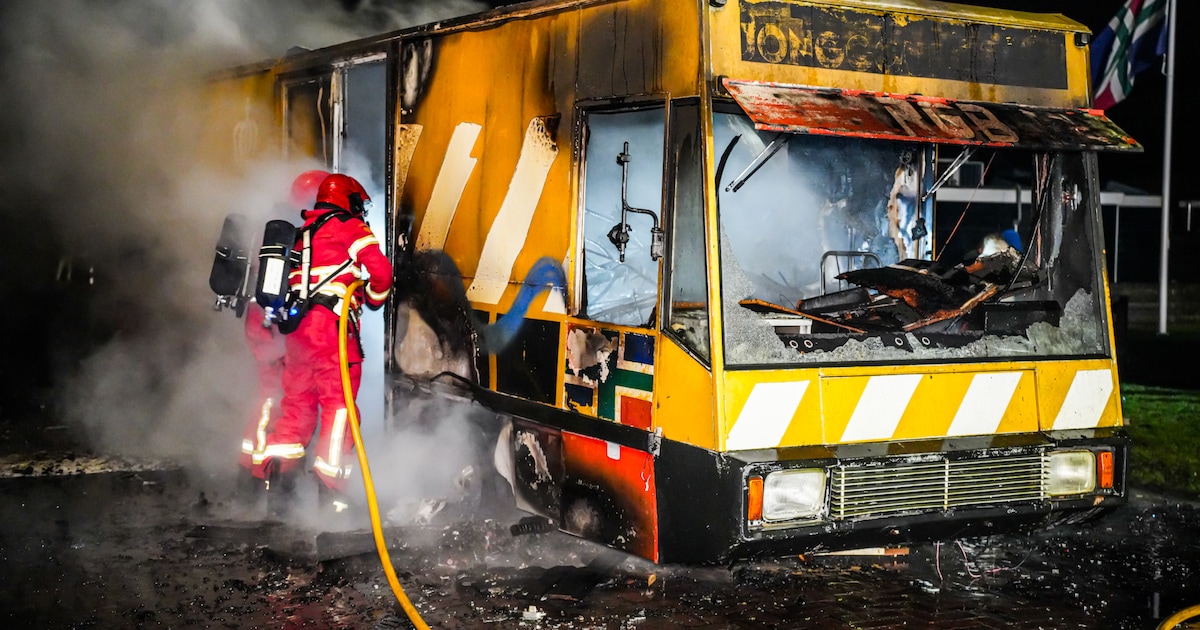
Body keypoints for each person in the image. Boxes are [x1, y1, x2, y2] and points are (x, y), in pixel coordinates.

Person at [258, 173, 392, 518]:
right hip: (332, 333)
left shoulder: (301, 236)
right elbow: (382, 274)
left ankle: (279, 496)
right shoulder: (350, 228)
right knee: (339, 409)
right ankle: (329, 494)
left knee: (297, 405)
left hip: (298, 334)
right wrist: (372, 297)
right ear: (349, 200)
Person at [237, 169, 329, 502]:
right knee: (277, 398)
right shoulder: (298, 233)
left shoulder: (278, 226)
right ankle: (261, 472)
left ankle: (257, 466)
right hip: (273, 328)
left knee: (273, 396)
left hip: (262, 324)